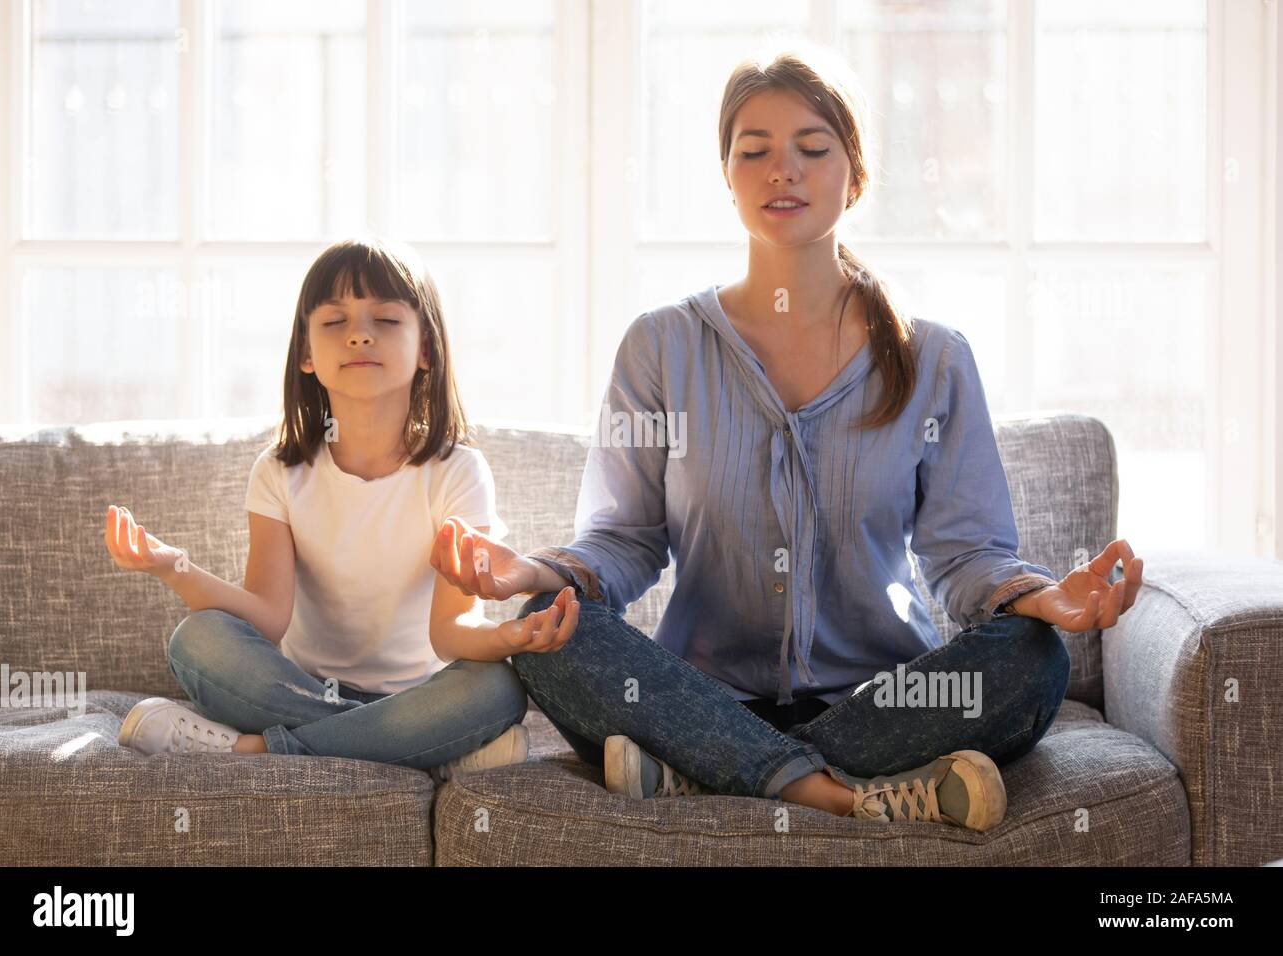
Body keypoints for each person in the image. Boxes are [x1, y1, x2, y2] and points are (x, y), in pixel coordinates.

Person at [429, 46, 1144, 830]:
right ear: (727, 174)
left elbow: (964, 555)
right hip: (698, 693)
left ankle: (706, 773)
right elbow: (625, 541)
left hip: (886, 700)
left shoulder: (934, 357)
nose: (783, 171)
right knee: (551, 626)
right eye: (755, 151)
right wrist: (528, 569)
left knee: (1034, 660)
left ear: (855, 173)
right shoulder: (661, 346)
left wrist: (1047, 599)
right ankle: (838, 787)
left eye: (812, 148)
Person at [106, 236, 577, 780]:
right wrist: (173, 566)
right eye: (335, 322)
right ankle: (427, 748)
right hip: (301, 689)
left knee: (496, 687)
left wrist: (505, 639)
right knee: (197, 639)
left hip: (423, 694)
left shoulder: (456, 471)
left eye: (386, 319)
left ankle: (254, 751)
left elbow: (451, 632)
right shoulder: (280, 472)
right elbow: (267, 616)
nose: (359, 333)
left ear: (426, 349)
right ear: (306, 353)